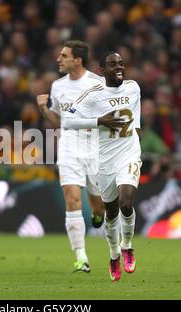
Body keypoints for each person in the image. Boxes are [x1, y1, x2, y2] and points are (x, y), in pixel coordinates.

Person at [62, 51, 141, 282]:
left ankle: (127, 247)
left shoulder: (133, 87)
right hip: (104, 159)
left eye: (121, 63)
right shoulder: (93, 95)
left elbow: (136, 117)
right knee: (112, 212)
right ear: (102, 71)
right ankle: (114, 254)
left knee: (127, 203)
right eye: (113, 64)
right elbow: (68, 119)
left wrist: (137, 138)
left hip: (129, 153)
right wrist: (99, 121)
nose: (119, 67)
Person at [36, 40, 106, 273]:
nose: (59, 60)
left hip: (94, 146)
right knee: (72, 200)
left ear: (78, 60)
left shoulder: (98, 85)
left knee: (98, 207)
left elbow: (108, 118)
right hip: (69, 147)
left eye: (64, 56)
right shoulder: (58, 86)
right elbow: (59, 123)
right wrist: (45, 110)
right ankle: (81, 257)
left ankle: (98, 215)